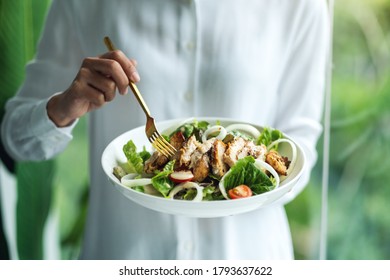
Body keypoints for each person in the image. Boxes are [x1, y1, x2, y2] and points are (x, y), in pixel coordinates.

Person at [1, 0, 329, 259]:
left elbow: (300, 146)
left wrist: (247, 183)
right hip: (123, 256)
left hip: (247, 256)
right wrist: (65, 104)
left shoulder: (299, 5)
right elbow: (16, 139)